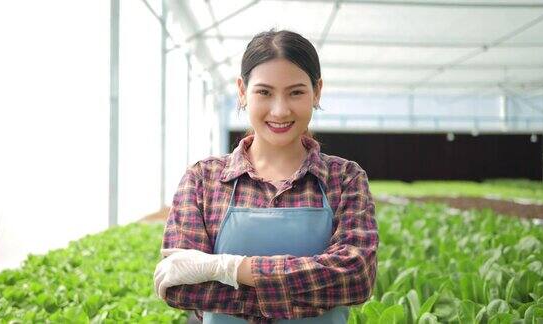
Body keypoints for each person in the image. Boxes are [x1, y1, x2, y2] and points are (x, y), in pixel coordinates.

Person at [153, 28, 378, 324]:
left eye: (296, 92)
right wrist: (312, 289)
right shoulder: (203, 180)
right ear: (243, 91)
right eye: (264, 92)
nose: (280, 110)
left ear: (317, 91)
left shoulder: (344, 179)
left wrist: (229, 269)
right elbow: (180, 289)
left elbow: (356, 277)